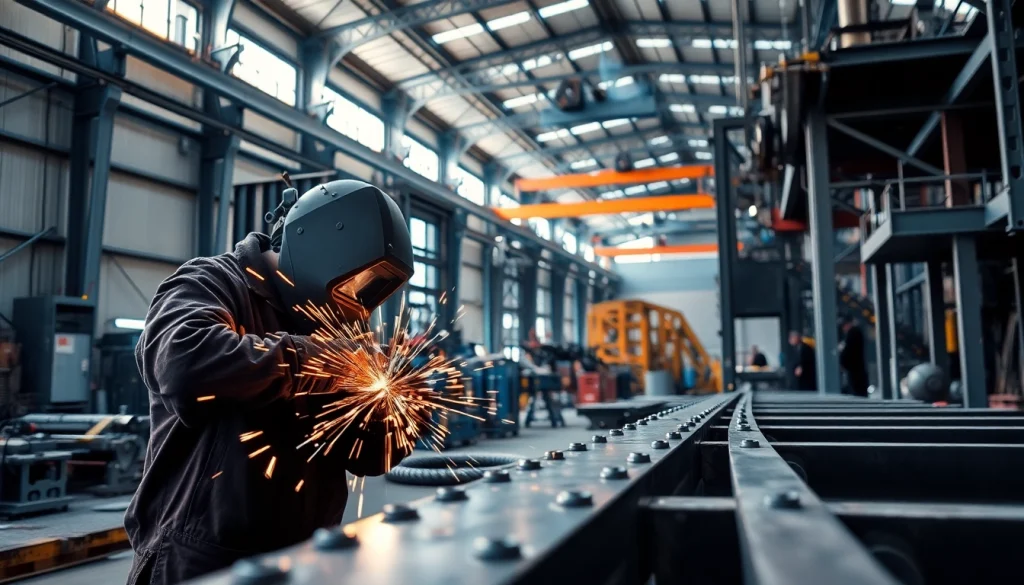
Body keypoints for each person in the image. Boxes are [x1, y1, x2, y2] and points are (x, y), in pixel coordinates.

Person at [123, 180, 416, 585]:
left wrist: (392, 410)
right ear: (321, 246)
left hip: (305, 557)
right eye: (353, 282)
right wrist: (323, 360)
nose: (356, 300)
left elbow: (371, 457)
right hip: (198, 559)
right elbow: (186, 367)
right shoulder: (212, 282)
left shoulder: (339, 326)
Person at [840, 319, 869, 397]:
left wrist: (843, 363)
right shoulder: (857, 333)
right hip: (858, 369)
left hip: (854, 370)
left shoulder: (852, 334)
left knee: (855, 391)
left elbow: (848, 352)